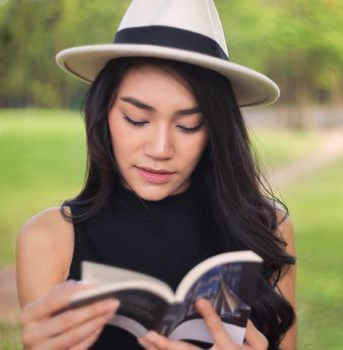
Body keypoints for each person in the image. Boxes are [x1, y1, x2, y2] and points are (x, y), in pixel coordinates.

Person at [16, 1, 297, 349]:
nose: (161, 148)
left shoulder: (267, 227)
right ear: (103, 113)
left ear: (215, 129)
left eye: (188, 125)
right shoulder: (49, 239)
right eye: (136, 119)